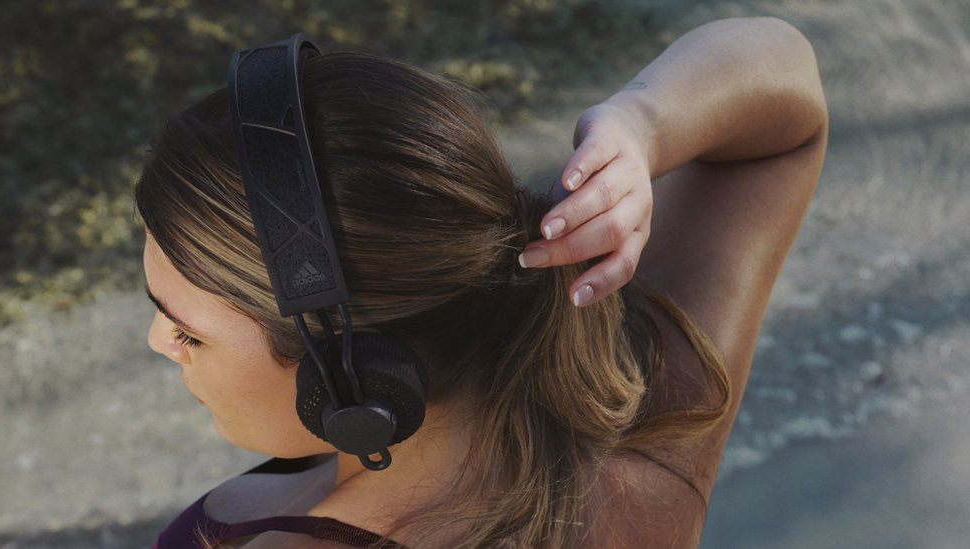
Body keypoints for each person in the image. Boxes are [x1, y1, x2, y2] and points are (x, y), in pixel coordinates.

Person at [137, 16, 827, 548]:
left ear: (354, 372)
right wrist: (636, 127)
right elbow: (783, 102)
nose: (158, 342)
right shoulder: (650, 423)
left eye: (189, 330)